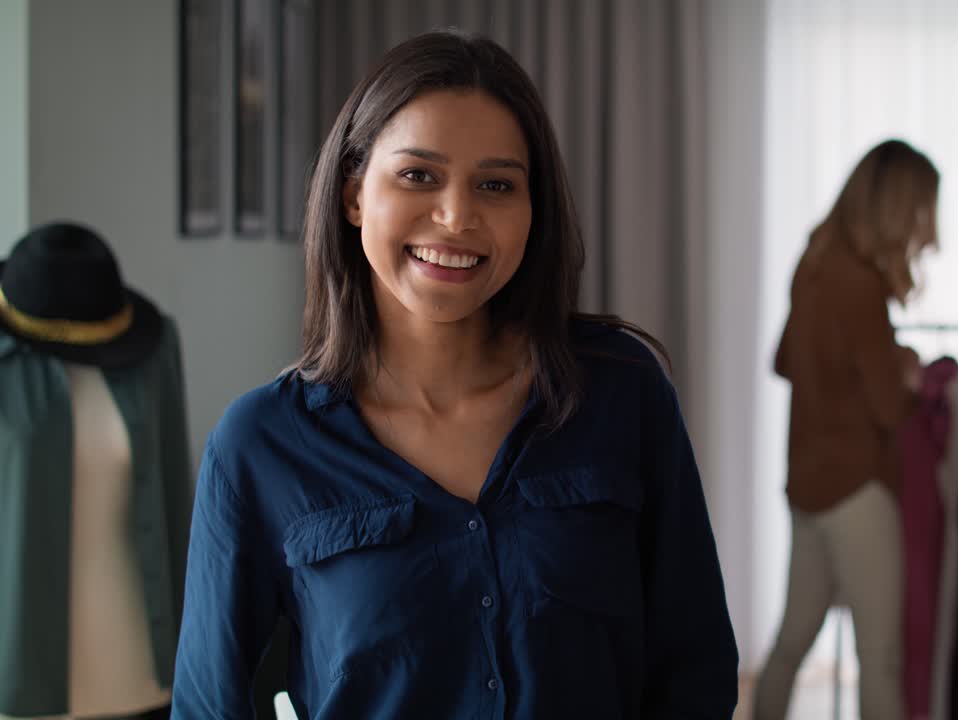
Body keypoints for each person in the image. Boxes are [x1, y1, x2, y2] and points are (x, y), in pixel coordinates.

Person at [170, 30, 738, 719]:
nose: (457, 216)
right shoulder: (260, 444)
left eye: (496, 185)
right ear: (354, 193)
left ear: (535, 209)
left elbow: (695, 669)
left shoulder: (622, 393)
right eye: (418, 175)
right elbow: (208, 706)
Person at [754, 139, 939, 720]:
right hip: (857, 488)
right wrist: (905, 373)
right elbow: (889, 408)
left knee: (789, 644)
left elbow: (784, 360)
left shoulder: (814, 265)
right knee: (880, 657)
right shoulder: (860, 284)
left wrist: (872, 356)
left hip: (807, 484)